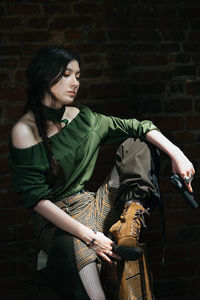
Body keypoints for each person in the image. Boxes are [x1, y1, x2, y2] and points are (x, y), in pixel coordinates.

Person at [9, 45, 195, 300]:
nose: (75, 82)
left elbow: (137, 127)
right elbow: (36, 199)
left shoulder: (85, 119)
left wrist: (178, 154)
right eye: (67, 74)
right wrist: (90, 236)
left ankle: (129, 222)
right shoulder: (24, 130)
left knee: (138, 142)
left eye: (78, 76)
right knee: (78, 246)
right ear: (45, 75)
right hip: (55, 220)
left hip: (92, 204)